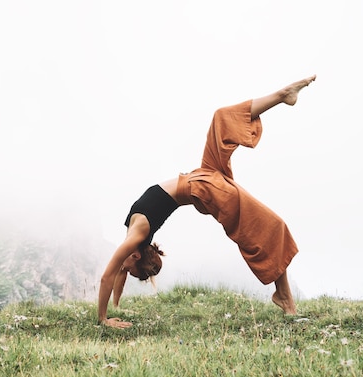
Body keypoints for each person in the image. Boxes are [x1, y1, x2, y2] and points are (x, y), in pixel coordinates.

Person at [98, 75, 317, 329]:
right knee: (268, 225)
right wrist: (115, 307)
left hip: (202, 178)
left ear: (134, 255)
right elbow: (119, 273)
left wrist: (104, 319)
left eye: (131, 271)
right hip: (203, 187)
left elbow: (109, 276)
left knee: (221, 118)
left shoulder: (135, 237)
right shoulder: (136, 238)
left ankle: (282, 95)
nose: (124, 271)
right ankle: (286, 299)